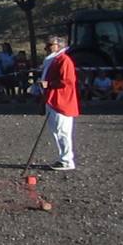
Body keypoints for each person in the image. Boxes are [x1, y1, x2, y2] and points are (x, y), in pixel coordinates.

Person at [40, 35, 79, 170]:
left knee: (63, 131)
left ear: (59, 46)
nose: (46, 48)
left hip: (62, 102)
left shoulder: (64, 60)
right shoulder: (52, 61)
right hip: (53, 100)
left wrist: (48, 84)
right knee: (56, 131)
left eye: (50, 45)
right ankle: (63, 157)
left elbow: (67, 81)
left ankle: (67, 160)